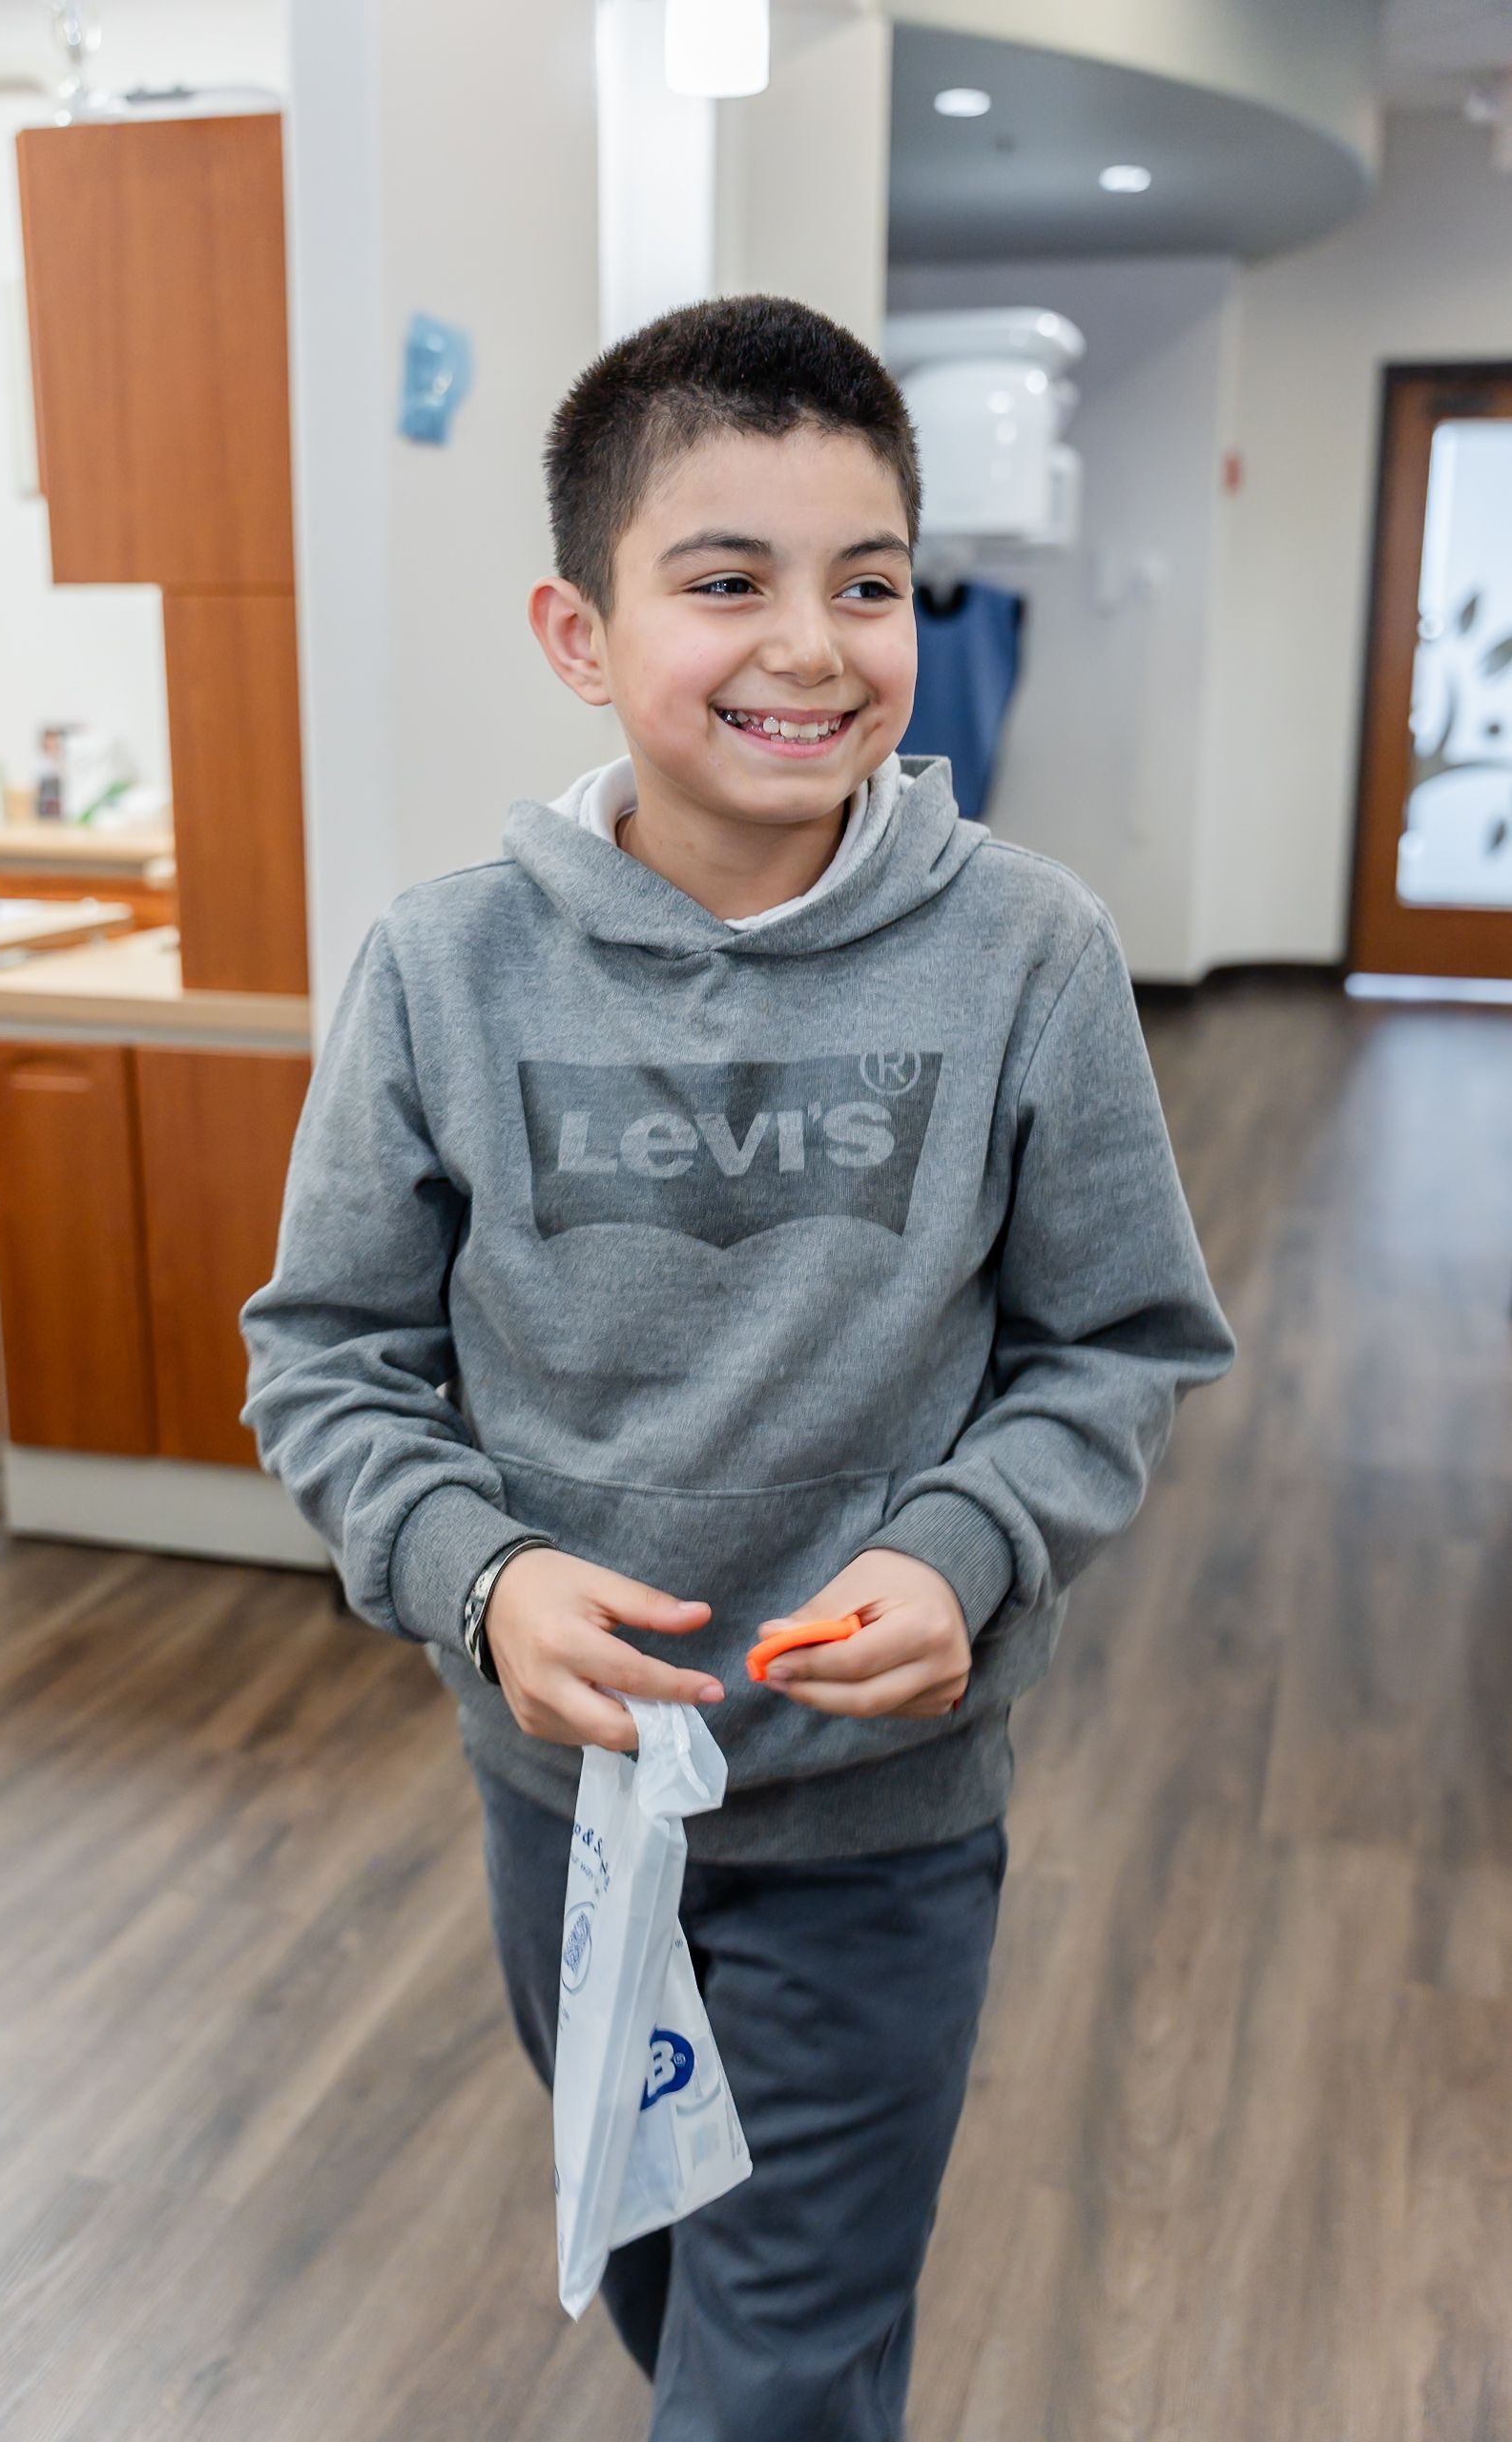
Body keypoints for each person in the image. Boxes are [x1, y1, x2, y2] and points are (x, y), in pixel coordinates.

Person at [238, 292, 1235, 2441]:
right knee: (675, 2276)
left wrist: (966, 1546)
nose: (811, 642)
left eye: (865, 580)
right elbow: (324, 1356)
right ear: (577, 633)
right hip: (565, 1810)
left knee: (771, 2362)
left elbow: (1113, 1341)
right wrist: (484, 1579)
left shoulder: (1027, 952)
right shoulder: (440, 965)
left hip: (880, 1820)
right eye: (726, 580)